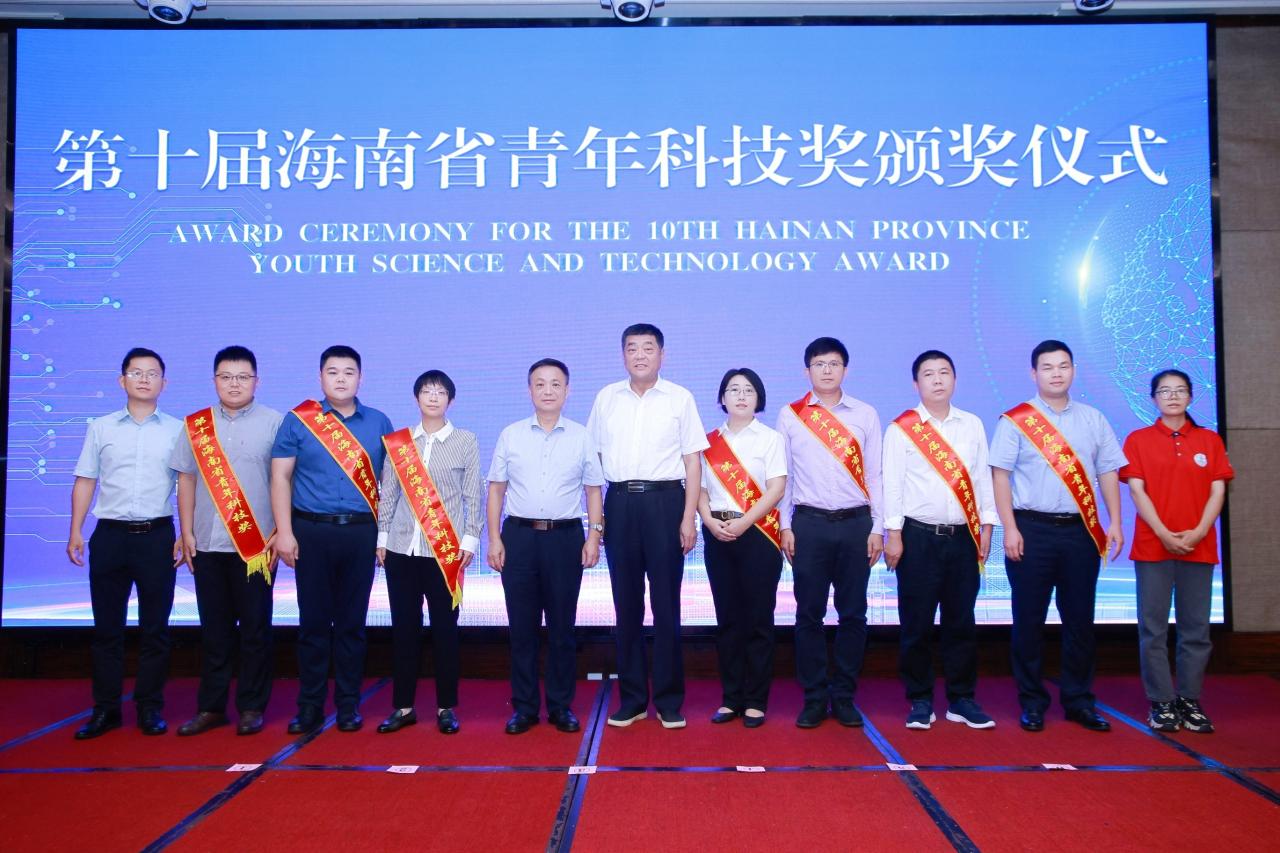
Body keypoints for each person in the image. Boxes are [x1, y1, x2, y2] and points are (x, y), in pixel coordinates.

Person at [990, 339, 1126, 733]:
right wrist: (1009, 528)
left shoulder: (1093, 419)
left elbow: (1108, 471)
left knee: (1080, 620)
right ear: (1034, 373)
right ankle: (1032, 702)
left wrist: (1115, 522)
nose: (1056, 373)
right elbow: (1000, 476)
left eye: (1063, 366)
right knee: (1028, 620)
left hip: (1080, 532)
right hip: (1030, 530)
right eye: (1047, 367)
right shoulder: (1016, 420)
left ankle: (1079, 701)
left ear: (1073, 371)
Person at [587, 323, 708, 729]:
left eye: (648, 348)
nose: (640, 355)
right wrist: (597, 523)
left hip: (665, 502)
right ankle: (634, 699)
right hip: (620, 501)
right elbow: (593, 461)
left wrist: (688, 516)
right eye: (632, 348)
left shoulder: (680, 398)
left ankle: (670, 701)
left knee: (667, 605)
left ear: (662, 354)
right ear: (623, 355)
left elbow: (693, 462)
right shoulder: (606, 398)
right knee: (626, 606)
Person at [271, 345, 392, 734]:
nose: (341, 379)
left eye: (349, 372)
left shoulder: (379, 422)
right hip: (311, 532)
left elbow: (391, 485)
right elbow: (280, 477)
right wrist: (284, 532)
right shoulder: (299, 420)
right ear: (320, 377)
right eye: (333, 372)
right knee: (313, 623)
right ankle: (309, 706)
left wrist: (385, 536)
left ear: (361, 378)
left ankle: (348, 705)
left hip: (360, 532)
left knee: (352, 624)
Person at [68, 347, 184, 739]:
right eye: (136, 372)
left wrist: (185, 533)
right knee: (107, 630)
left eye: (153, 373)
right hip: (110, 537)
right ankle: (106, 710)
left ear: (164, 383)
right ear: (122, 380)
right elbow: (86, 479)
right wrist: (75, 530)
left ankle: (150, 708)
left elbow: (187, 485)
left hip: (157, 537)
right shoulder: (101, 428)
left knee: (156, 629)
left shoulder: (178, 430)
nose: (145, 379)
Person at [487, 359, 605, 735]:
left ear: (567, 391)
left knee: (561, 628)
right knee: (522, 629)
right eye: (540, 384)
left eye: (556, 384)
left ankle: (560, 706)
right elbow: (496, 490)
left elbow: (593, 491)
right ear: (530, 390)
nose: (548, 390)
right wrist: (494, 538)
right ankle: (524, 708)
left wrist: (594, 536)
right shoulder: (511, 435)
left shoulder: (582, 436)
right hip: (519, 538)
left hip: (565, 538)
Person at [883, 351, 998, 730]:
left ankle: (961, 699)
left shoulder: (972, 424)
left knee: (961, 620)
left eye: (944, 372)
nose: (937, 380)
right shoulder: (902, 428)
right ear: (916, 383)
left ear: (954, 379)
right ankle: (919, 699)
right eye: (928, 374)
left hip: (963, 536)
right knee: (916, 622)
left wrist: (987, 525)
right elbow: (892, 483)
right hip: (917, 536)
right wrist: (893, 533)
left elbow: (981, 479)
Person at [171, 346, 283, 737]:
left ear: (256, 381)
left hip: (256, 548)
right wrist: (186, 531)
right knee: (214, 631)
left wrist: (279, 532)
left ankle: (252, 707)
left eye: (242, 377)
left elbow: (284, 480)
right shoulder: (196, 425)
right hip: (207, 543)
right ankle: (211, 707)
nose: (234, 384)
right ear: (214, 380)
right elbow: (186, 478)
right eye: (226, 377)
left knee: (255, 630)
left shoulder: (275, 423)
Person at [777, 336, 884, 729]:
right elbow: (785, 475)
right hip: (809, 524)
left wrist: (878, 526)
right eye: (819, 364)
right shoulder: (791, 415)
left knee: (853, 613)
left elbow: (875, 474)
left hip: (856, 524)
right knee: (809, 614)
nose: (827, 370)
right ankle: (813, 697)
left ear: (845, 369)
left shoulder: (865, 414)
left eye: (834, 363)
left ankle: (844, 696)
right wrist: (785, 525)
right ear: (807, 370)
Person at [1120, 369, 1233, 733]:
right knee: (1153, 629)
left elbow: (1218, 490)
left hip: (1199, 546)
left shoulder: (1209, 440)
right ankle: (1161, 701)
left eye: (1180, 390)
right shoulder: (1138, 439)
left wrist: (1198, 532)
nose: (1172, 396)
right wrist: (1164, 533)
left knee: (1196, 628)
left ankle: (1189, 699)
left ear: (1190, 396)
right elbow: (1137, 490)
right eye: (1165, 391)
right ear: (1153, 398)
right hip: (1153, 546)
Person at [375, 370, 481, 735]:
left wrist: (470, 539)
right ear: (416, 398)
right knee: (404, 629)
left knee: (444, 631)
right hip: (401, 549)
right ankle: (403, 707)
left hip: (445, 552)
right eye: (426, 391)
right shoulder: (399, 443)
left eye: (440, 392)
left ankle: (445, 707)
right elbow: (389, 492)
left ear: (450, 399)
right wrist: (382, 537)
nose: (433, 397)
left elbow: (473, 494)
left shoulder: (465, 440)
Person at [697, 368, 787, 728]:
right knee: (728, 619)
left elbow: (776, 488)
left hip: (758, 534)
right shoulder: (707, 442)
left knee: (758, 620)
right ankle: (731, 698)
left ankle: (755, 700)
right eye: (733, 390)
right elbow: (700, 489)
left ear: (758, 398)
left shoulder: (770, 439)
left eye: (748, 390)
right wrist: (708, 521)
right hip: (717, 532)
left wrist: (745, 522)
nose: (740, 396)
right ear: (722, 398)